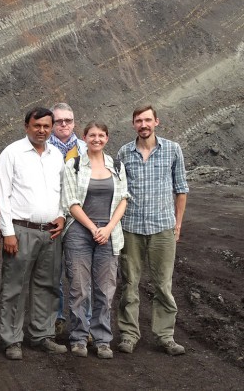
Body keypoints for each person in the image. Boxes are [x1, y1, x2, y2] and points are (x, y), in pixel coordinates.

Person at [0, 107, 67, 361]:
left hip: (50, 232)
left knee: (47, 285)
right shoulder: (12, 153)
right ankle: (12, 340)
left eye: (47, 126)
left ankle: (42, 334)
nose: (42, 130)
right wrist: (8, 233)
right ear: (26, 126)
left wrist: (61, 214)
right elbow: (1, 195)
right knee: (14, 287)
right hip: (21, 230)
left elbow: (62, 190)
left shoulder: (56, 155)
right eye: (37, 126)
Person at [117, 105, 189, 356]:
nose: (143, 124)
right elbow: (118, 192)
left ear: (156, 121)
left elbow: (181, 189)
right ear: (133, 124)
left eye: (148, 119)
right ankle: (128, 334)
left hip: (162, 228)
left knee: (163, 284)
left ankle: (165, 336)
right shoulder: (124, 153)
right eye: (139, 120)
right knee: (129, 283)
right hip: (131, 228)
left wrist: (177, 224)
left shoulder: (172, 149)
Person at [61, 121, 129, 359]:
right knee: (79, 289)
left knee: (105, 290)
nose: (97, 139)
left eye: (101, 135)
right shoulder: (74, 165)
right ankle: (79, 338)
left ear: (107, 138)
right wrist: (93, 228)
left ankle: (102, 340)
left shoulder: (117, 166)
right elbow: (71, 202)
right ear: (85, 137)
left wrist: (108, 228)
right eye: (92, 135)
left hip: (109, 235)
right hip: (79, 233)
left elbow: (123, 199)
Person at [49, 102, 88, 334]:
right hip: (51, 219)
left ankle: (83, 324)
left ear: (74, 122)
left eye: (68, 120)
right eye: (59, 121)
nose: (64, 124)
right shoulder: (42, 148)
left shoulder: (86, 148)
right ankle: (56, 319)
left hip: (78, 220)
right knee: (52, 274)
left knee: (80, 276)